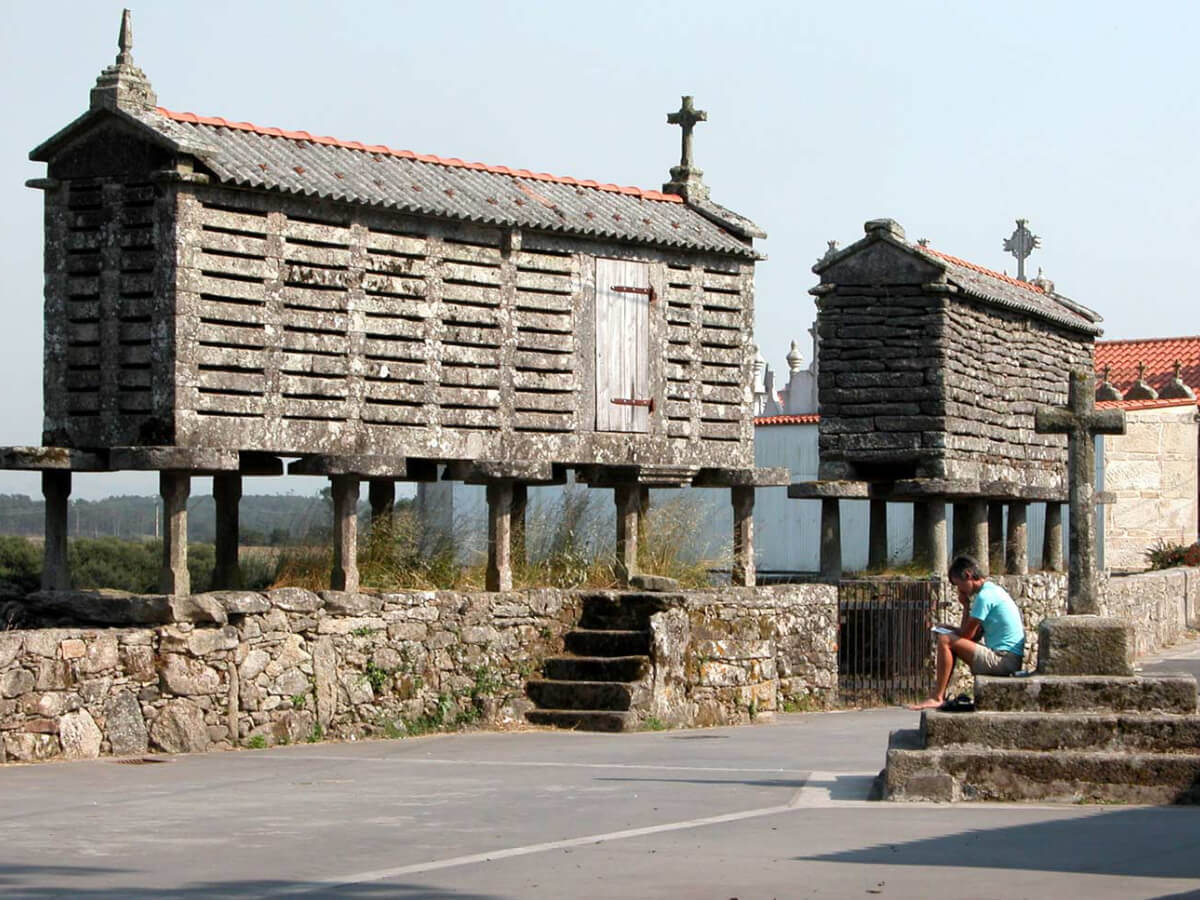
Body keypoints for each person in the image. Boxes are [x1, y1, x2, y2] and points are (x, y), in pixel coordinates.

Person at [908, 554, 1026, 711]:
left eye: (958, 584)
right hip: (1009, 660)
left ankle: (937, 697)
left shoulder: (984, 597)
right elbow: (972, 636)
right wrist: (951, 628)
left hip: (1003, 661)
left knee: (945, 640)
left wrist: (965, 606)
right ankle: (939, 694)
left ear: (968, 576)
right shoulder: (992, 590)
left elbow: (966, 637)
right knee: (948, 636)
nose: (959, 590)